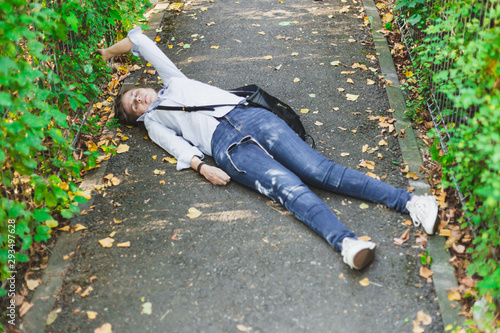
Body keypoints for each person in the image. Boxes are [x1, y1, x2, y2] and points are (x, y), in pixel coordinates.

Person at [98, 27, 439, 270]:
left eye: (135, 94)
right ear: (139, 118)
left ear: (143, 85)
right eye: (134, 107)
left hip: (252, 118)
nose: (139, 100)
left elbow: (140, 40)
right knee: (288, 190)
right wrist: (202, 166)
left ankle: (411, 202)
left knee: (320, 171)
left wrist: (107, 54)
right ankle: (347, 244)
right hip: (227, 148)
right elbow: (174, 145)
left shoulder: (173, 80)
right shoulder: (156, 122)